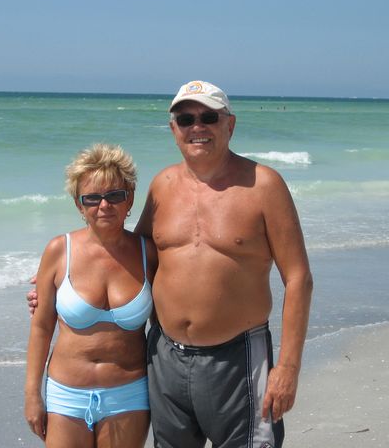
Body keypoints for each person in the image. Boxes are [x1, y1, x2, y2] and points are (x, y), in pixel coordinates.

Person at [30, 81, 313, 448]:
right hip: (165, 359)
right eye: (185, 119)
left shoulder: (264, 186)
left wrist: (288, 367)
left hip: (238, 356)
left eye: (209, 117)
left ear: (230, 124)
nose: (197, 127)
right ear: (173, 129)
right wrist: (56, 284)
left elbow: (298, 277)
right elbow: (126, 254)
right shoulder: (163, 185)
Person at [24, 144, 157, 447]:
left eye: (115, 195)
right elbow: (41, 327)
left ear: (130, 199)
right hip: (66, 395)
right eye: (92, 198)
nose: (104, 205)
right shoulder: (59, 251)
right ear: (79, 205)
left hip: (129, 395)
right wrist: (32, 394)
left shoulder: (148, 254)